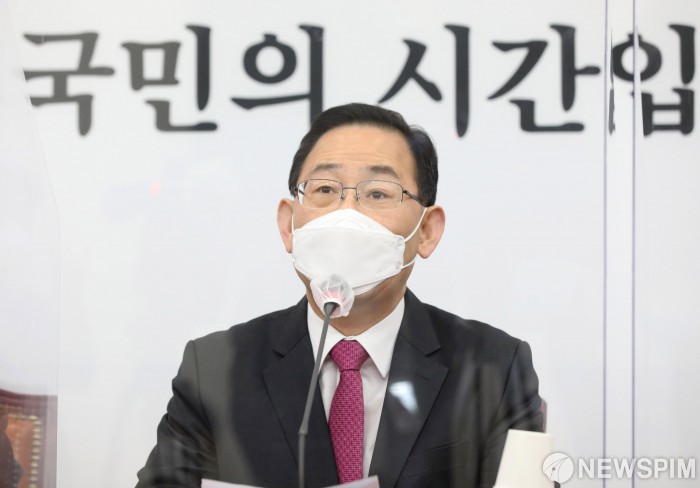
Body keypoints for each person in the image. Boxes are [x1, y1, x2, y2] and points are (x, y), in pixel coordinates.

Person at [136, 103, 543, 488]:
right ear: (288, 226)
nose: (346, 213)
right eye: (325, 189)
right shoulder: (214, 369)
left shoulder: (495, 367)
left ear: (426, 231)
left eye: (378, 193)